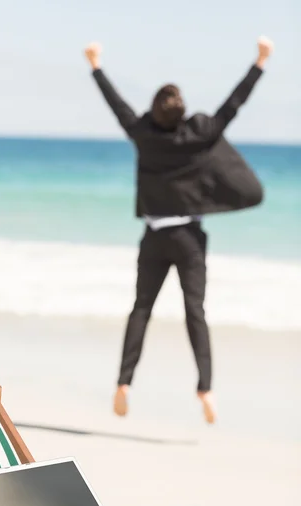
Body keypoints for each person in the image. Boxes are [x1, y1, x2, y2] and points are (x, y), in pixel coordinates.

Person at [84, 37, 274, 424]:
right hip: (189, 239)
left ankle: (124, 383)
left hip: (154, 238)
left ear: (153, 113)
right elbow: (232, 106)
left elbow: (116, 105)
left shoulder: (142, 135)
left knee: (141, 309)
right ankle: (205, 388)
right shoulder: (199, 136)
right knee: (195, 312)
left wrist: (96, 66)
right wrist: (260, 62)